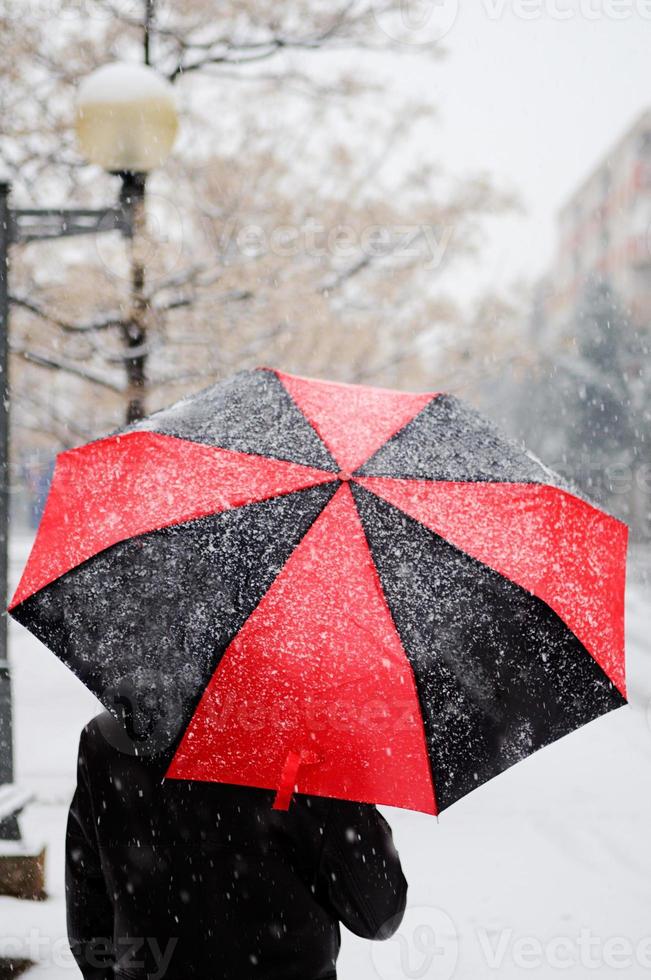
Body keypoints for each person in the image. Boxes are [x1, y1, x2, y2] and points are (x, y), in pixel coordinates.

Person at [66, 710, 408, 980]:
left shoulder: (107, 740)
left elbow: (88, 916)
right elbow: (377, 915)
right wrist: (354, 801)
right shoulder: (310, 748)